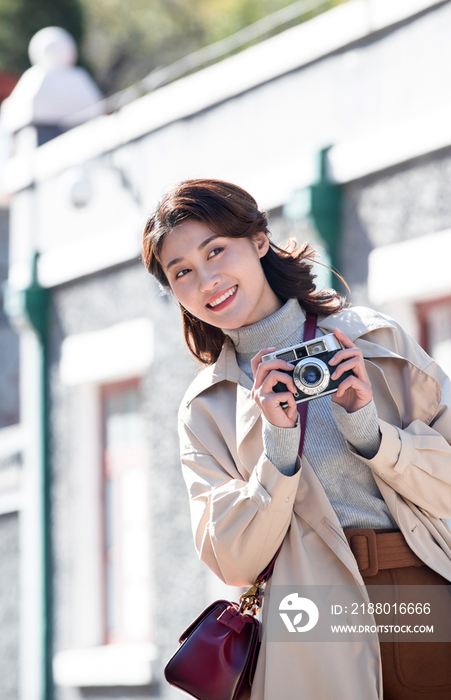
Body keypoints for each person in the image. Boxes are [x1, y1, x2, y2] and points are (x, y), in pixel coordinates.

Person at [142, 178, 451, 700]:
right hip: (307, 612)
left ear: (259, 240)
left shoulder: (373, 341)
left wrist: (372, 435)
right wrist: (277, 452)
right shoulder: (206, 407)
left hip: (414, 591)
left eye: (217, 250)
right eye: (183, 273)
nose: (207, 279)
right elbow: (233, 561)